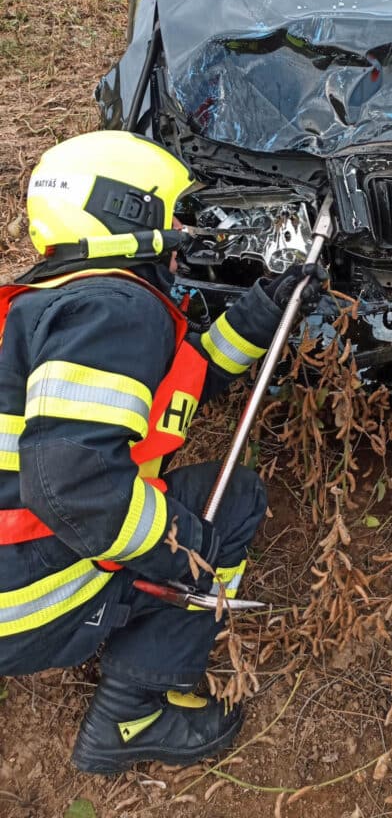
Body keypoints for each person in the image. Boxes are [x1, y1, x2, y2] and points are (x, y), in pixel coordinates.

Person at [0, 130, 324, 773]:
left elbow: (183, 383)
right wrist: (180, 545)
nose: (183, 239)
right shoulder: (115, 308)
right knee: (226, 506)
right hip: (21, 597)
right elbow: (72, 484)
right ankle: (132, 716)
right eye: (175, 216)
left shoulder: (58, 307)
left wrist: (262, 312)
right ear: (132, 213)